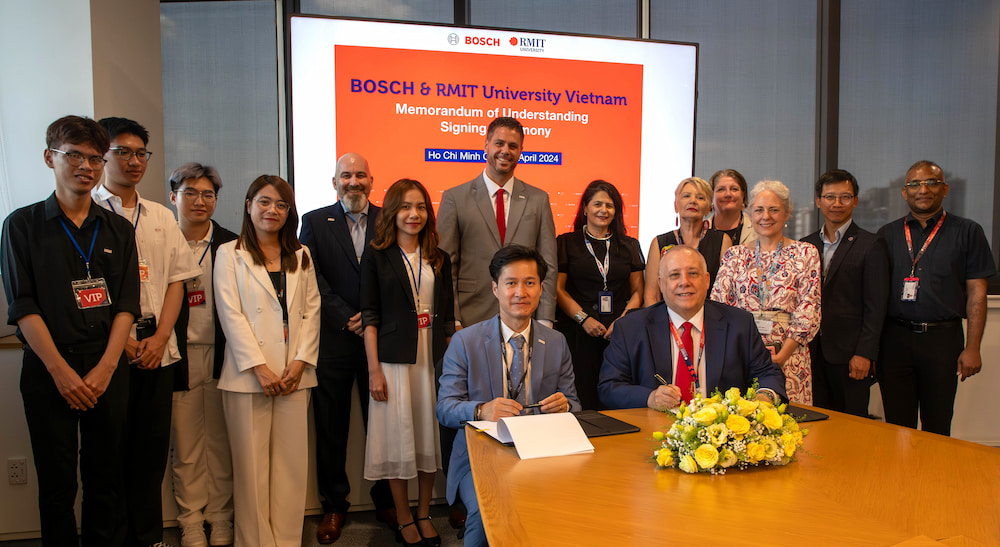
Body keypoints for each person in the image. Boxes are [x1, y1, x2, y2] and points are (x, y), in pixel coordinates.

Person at [1, 115, 139, 546]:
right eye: (74, 155)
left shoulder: (116, 227)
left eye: (95, 158)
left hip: (106, 367)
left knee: (107, 478)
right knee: (58, 483)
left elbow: (126, 305)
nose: (86, 166)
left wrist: (104, 370)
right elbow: (22, 305)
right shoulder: (21, 225)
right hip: (49, 369)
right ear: (50, 157)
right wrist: (62, 373)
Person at [92, 117, 201, 547]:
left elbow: (177, 280)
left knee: (151, 451)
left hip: (158, 348)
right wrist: (128, 343)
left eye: (141, 153)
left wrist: (157, 340)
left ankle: (149, 536)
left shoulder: (159, 214)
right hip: (109, 351)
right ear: (102, 155)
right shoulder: (89, 211)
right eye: (123, 152)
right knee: (109, 453)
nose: (134, 161)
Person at [437, 245, 580, 547]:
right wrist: (481, 411)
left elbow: (576, 405)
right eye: (511, 283)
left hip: (541, 454)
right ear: (495, 288)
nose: (520, 292)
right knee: (487, 512)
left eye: (529, 283)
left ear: (541, 288)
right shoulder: (465, 342)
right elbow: (445, 409)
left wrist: (565, 406)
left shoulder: (556, 342)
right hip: (481, 457)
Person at [214, 175, 320, 547]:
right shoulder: (229, 253)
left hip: (293, 375)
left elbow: (311, 313)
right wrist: (258, 367)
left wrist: (300, 363)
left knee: (291, 469)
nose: (272, 210)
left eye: (280, 205)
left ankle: (287, 541)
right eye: (264, 202)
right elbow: (230, 314)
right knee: (251, 471)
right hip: (248, 377)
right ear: (248, 205)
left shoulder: (301, 254)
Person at [298, 152, 395, 543]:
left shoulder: (387, 219)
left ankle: (387, 499)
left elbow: (394, 273)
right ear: (333, 181)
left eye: (360, 176)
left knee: (383, 428)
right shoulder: (315, 221)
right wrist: (345, 315)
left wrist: (371, 317)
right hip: (334, 341)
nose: (353, 182)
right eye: (346, 176)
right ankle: (334, 506)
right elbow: (310, 276)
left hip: (380, 342)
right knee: (332, 430)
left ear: (372, 181)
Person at [360, 179, 455, 547]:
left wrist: (450, 368)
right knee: (398, 440)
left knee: (428, 437)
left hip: (430, 361)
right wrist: (373, 371)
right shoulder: (377, 255)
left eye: (420, 207)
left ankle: (424, 512)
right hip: (393, 362)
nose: (413, 214)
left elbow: (446, 319)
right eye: (404, 207)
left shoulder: (438, 257)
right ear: (391, 211)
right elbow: (370, 316)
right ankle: (402, 516)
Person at [876, 160, 996, 436]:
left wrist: (973, 346)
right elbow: (875, 294)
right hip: (894, 340)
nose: (923, 189)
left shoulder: (968, 231)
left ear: (945, 189)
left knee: (938, 424)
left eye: (931, 182)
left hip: (943, 340)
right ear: (904, 193)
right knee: (896, 424)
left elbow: (977, 293)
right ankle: (900, 479)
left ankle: (933, 479)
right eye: (914, 184)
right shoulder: (888, 234)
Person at [599, 246, 786, 410]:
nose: (684, 282)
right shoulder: (631, 328)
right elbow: (609, 387)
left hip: (720, 436)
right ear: (661, 284)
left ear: (706, 280)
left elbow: (768, 373)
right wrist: (649, 398)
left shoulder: (739, 323)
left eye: (693, 273)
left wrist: (765, 397)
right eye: (674, 275)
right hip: (653, 432)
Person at [167, 163, 238, 547]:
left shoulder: (231, 243)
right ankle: (191, 519)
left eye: (208, 194)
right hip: (177, 354)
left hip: (223, 354)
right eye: (190, 193)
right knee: (187, 444)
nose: (199, 201)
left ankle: (221, 516)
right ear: (173, 196)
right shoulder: (162, 239)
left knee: (222, 441)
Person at [437, 116, 558, 328]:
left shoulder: (539, 200)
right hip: (470, 317)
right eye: (499, 143)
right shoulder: (455, 198)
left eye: (513, 146)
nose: (505, 151)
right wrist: (452, 319)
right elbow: (446, 266)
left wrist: (545, 319)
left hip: (525, 317)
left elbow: (548, 264)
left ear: (521, 150)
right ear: (486, 145)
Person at [711, 180, 821, 405]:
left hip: (790, 355)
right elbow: (718, 305)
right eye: (759, 210)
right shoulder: (735, 255)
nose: (766, 216)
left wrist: (782, 356)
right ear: (750, 212)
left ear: (787, 213)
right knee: (739, 424)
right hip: (740, 355)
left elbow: (808, 310)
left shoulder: (805, 253)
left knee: (787, 427)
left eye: (774, 210)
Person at [801, 169, 888, 417]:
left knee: (852, 424)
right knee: (815, 423)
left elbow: (876, 306)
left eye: (845, 197)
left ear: (855, 201)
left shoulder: (871, 245)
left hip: (851, 356)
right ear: (818, 201)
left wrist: (865, 353)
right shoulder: (805, 245)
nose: (837, 204)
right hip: (811, 353)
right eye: (829, 197)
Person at [555, 180, 644, 409]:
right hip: (577, 332)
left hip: (618, 333)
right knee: (582, 395)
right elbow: (557, 289)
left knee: (616, 393)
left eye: (610, 205)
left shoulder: (629, 245)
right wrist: (583, 319)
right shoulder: (566, 243)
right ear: (585, 208)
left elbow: (638, 291)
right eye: (597, 204)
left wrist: (624, 321)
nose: (603, 210)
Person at [643, 176, 732, 305]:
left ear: (708, 208)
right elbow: (651, 296)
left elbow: (726, 292)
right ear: (676, 205)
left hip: (709, 317)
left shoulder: (722, 241)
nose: (693, 201)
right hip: (667, 318)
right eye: (686, 196)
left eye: (700, 197)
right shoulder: (659, 243)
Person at [709, 169, 756, 247]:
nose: (728, 194)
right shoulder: (700, 230)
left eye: (734, 189)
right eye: (721, 189)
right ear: (711, 196)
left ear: (743, 195)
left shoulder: (757, 229)